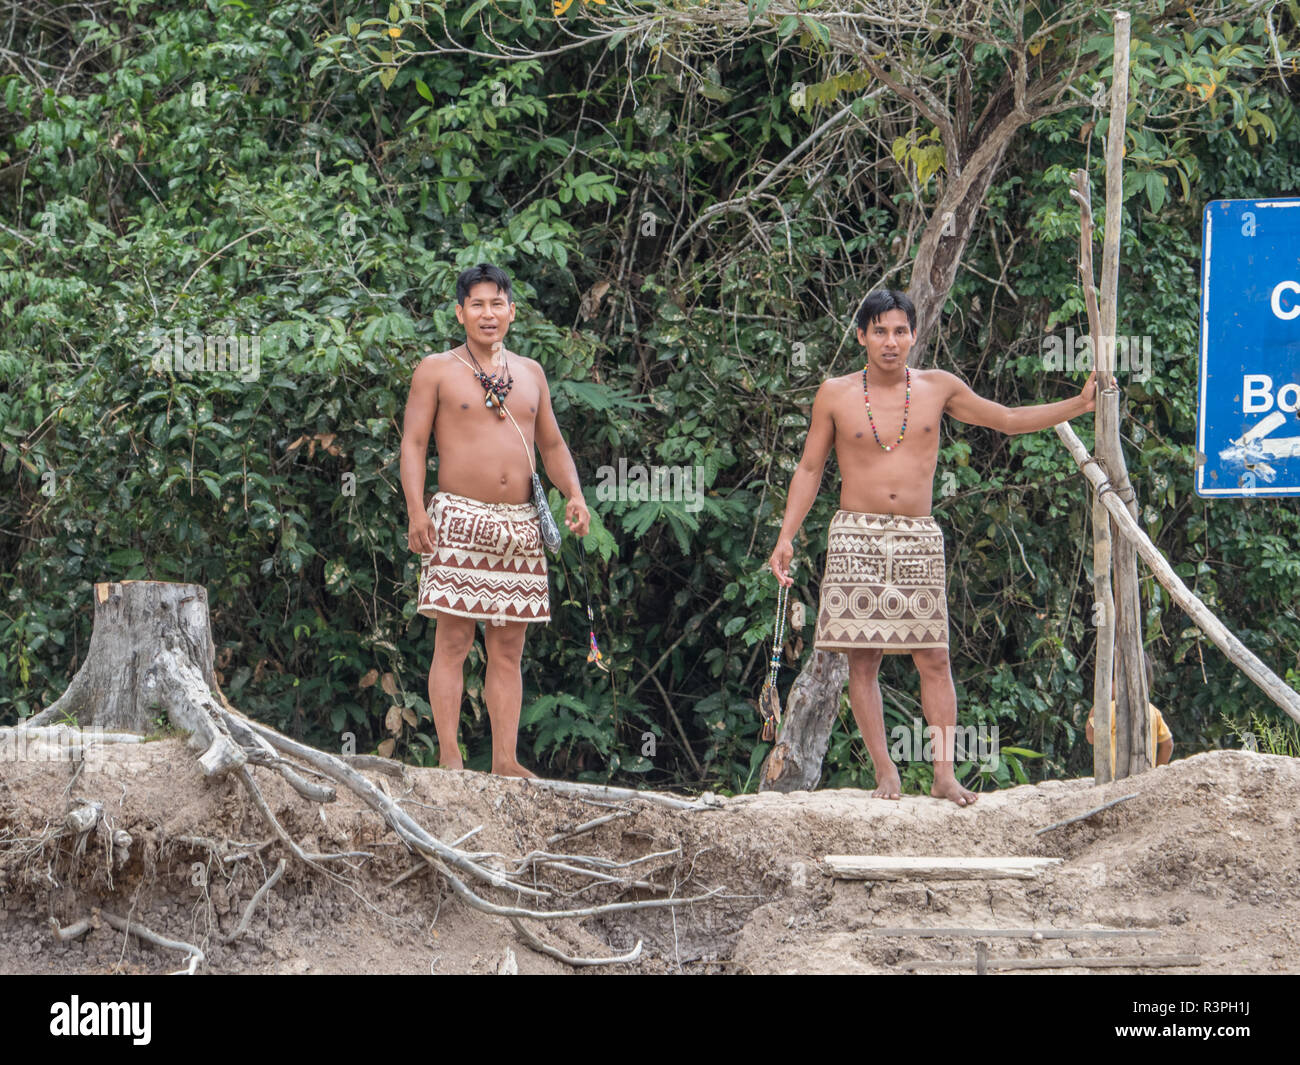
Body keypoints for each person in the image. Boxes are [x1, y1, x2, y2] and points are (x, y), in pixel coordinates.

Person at [768, 289, 1096, 806]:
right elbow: (809, 469)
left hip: (918, 538)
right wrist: (786, 536)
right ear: (861, 336)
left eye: (900, 331)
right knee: (863, 661)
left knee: (935, 658)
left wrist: (1078, 404)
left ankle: (944, 775)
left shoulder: (939, 387)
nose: (891, 341)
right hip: (856, 534)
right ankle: (886, 774)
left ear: (914, 335)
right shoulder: (834, 393)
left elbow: (1005, 419)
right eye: (880, 331)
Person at [401, 263, 590, 777]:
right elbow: (414, 444)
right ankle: (449, 758)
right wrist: (417, 510)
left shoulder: (530, 373)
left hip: (520, 524)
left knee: (507, 650)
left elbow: (551, 444)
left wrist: (573, 493)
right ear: (460, 312)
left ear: (512, 311)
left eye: (497, 303)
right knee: (454, 641)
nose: (488, 313)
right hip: (457, 519)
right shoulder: (436, 369)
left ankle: (505, 761)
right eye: (477, 304)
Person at [1086, 659, 1174, 770]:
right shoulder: (1152, 710)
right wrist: (1155, 774)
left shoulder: (1111, 708)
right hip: (1145, 778)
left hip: (1115, 780)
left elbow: (1091, 737)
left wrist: (1099, 702)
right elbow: (1168, 745)